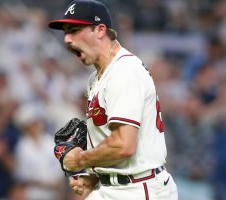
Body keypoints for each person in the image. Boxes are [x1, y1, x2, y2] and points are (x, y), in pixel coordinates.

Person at [48, 0, 178, 199]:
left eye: (74, 30)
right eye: (65, 32)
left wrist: (79, 160)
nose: (66, 39)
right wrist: (95, 176)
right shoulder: (98, 77)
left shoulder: (124, 71)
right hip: (116, 185)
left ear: (100, 30)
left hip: (139, 188)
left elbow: (123, 145)